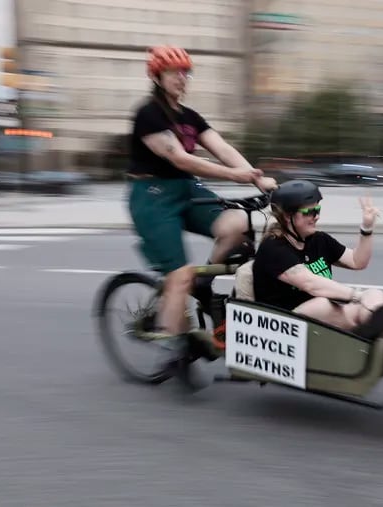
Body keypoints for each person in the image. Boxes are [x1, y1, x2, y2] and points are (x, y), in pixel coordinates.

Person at [127, 46, 277, 367]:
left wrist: (255, 178)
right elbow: (179, 157)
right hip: (151, 196)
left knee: (237, 223)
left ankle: (203, 282)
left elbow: (222, 147)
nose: (182, 78)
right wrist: (235, 176)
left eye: (186, 72)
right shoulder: (148, 114)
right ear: (157, 76)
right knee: (178, 275)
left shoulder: (190, 117)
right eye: (174, 72)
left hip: (185, 188)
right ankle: (173, 346)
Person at [252, 180, 383, 339]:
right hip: (280, 327)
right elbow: (310, 284)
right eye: (310, 212)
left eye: (318, 210)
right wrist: (358, 297)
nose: (317, 216)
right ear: (287, 216)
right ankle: (360, 346)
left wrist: (367, 228)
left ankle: (370, 344)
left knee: (375, 295)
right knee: (324, 306)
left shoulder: (319, 240)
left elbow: (357, 261)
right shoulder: (273, 248)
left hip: (319, 320)